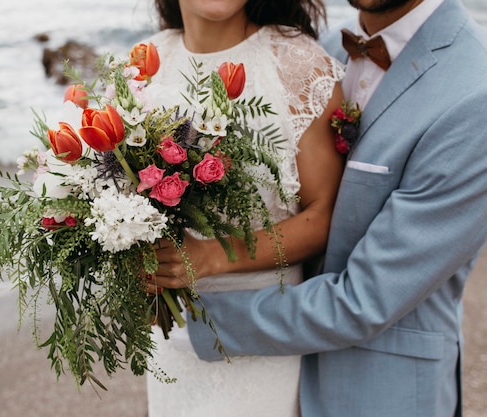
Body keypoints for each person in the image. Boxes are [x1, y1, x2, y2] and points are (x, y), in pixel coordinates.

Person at [153, 0, 487, 416]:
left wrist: (194, 322)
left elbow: (366, 299)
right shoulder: (321, 51)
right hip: (274, 369)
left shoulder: (475, 94)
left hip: (378, 390)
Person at [142, 0, 345, 416]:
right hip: (168, 342)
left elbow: (323, 215)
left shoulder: (297, 64)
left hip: (264, 331)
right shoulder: (145, 63)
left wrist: (212, 257)